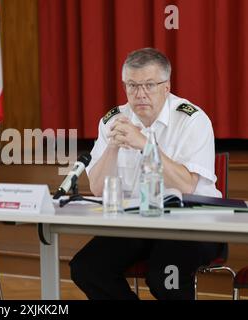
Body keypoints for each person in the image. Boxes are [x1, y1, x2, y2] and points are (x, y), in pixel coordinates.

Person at [69, 48, 225, 300]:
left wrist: (145, 144)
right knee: (87, 268)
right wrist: (112, 147)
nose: (139, 94)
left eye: (149, 85)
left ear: (166, 87)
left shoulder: (192, 120)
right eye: (132, 85)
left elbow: (186, 185)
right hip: (139, 223)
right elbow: (98, 189)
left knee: (164, 276)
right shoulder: (113, 120)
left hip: (193, 225)